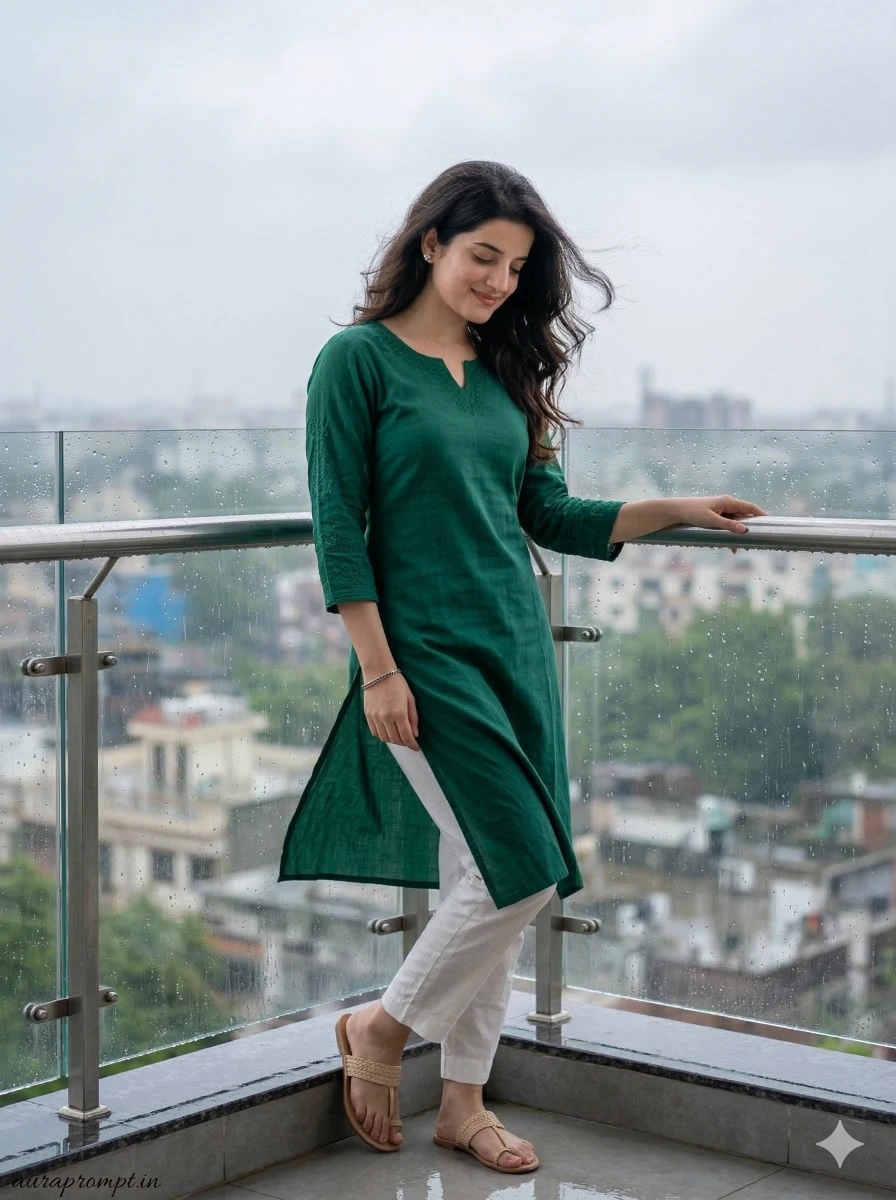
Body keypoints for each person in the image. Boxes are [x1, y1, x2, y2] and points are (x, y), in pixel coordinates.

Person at [279, 160, 766, 1175]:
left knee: (489, 871)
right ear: (429, 245)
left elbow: (546, 517)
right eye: (480, 256)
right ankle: (381, 1028)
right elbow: (339, 526)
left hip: (514, 641)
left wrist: (672, 507)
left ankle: (463, 1101)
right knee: (520, 869)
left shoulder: (507, 373)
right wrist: (376, 670)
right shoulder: (355, 363)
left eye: (515, 266)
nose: (497, 281)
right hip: (422, 653)